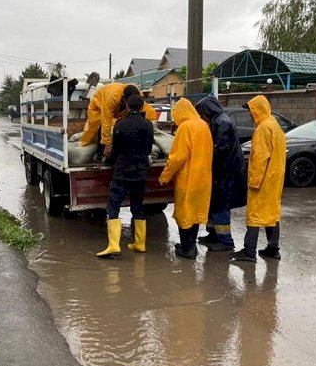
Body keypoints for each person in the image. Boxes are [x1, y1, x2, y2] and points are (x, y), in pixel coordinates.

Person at [97, 94, 155, 258]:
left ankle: (114, 246)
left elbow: (115, 151)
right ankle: (140, 243)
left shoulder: (120, 124)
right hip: (141, 171)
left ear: (128, 106)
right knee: (137, 206)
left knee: (113, 206)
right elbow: (149, 150)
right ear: (142, 107)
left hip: (123, 171)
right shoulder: (148, 125)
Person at [233, 95, 286, 262]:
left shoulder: (263, 128)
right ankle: (273, 248)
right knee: (272, 213)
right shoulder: (275, 126)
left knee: (255, 214)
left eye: (251, 110)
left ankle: (249, 251)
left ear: (258, 109)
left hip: (263, 179)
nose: (249, 114)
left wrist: (254, 181)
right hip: (274, 178)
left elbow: (260, 158)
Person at [159, 98, 213, 259]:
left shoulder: (185, 127)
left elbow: (177, 157)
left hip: (188, 178)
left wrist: (165, 176)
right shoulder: (203, 125)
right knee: (194, 214)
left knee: (184, 214)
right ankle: (190, 245)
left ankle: (188, 249)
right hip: (203, 179)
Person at [195, 95, 247, 252]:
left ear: (207, 111)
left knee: (220, 205)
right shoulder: (219, 121)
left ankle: (226, 241)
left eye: (202, 114)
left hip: (226, 172)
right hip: (222, 171)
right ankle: (213, 234)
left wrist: (202, 155)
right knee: (213, 204)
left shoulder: (221, 123)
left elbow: (219, 149)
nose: (201, 117)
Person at [79, 83, 157, 161]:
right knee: (100, 125)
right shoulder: (111, 98)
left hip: (119, 107)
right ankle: (100, 152)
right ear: (124, 99)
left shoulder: (137, 95)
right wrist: (107, 144)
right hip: (99, 107)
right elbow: (106, 122)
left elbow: (144, 112)